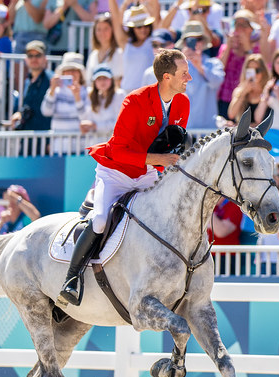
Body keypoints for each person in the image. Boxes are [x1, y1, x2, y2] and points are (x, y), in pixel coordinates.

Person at [63, 49, 192, 304]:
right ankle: (72, 279)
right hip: (116, 173)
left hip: (146, 174)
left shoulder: (183, 103)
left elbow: (171, 145)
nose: (189, 78)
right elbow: (119, 151)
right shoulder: (134, 101)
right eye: (184, 73)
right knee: (100, 220)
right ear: (167, 77)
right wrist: (158, 160)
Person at [10, 40, 53, 131]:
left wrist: (50, 142)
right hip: (29, 136)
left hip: (45, 135)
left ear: (45, 58)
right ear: (26, 59)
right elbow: (27, 105)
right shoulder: (27, 81)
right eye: (30, 56)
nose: (34, 59)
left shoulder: (51, 80)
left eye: (38, 55)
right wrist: (19, 113)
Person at [227, 54, 270, 124]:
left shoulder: (268, 90)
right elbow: (231, 114)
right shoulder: (239, 91)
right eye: (250, 70)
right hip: (244, 134)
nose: (254, 74)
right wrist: (243, 93)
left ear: (263, 71)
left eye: (257, 70)